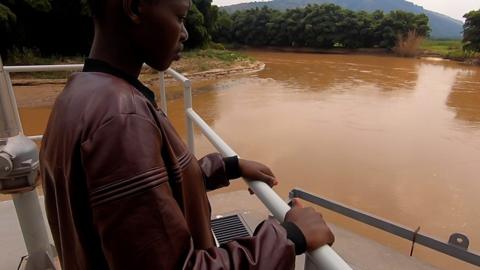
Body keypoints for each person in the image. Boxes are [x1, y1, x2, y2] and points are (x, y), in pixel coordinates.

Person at [39, 0, 335, 269]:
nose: (185, 33)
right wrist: (289, 236)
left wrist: (228, 166)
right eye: (180, 17)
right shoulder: (120, 119)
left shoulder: (80, 93)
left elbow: (147, 193)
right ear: (134, 7)